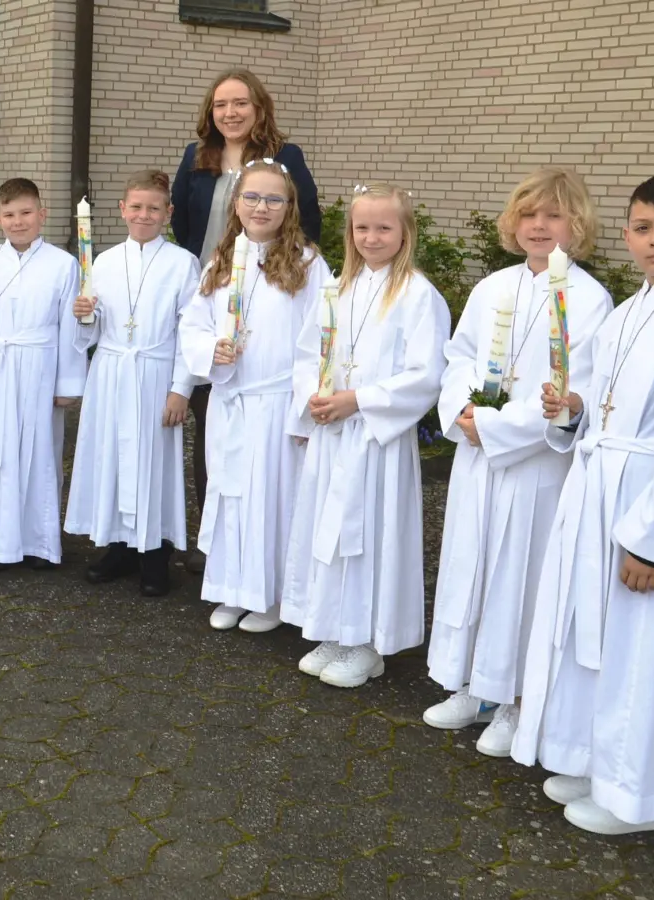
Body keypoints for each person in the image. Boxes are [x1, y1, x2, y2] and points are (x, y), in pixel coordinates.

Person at [513, 174, 654, 836]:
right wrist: (574, 408)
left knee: (644, 648)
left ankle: (638, 796)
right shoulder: (631, 308)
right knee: (599, 638)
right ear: (626, 235)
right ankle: (594, 760)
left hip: (649, 501)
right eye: (644, 228)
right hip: (602, 488)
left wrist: (653, 542)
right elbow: (605, 400)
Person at [424, 167, 611, 757]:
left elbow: (575, 387)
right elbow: (459, 356)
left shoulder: (589, 301)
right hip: (478, 458)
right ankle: (472, 684)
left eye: (554, 215)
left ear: (577, 225)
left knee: (522, 579)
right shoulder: (493, 287)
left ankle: (518, 700)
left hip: (534, 468)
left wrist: (496, 427)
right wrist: (462, 411)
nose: (539, 225)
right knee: (472, 567)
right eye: (529, 214)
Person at [281, 183, 450, 689]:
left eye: (383, 227)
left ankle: (368, 643)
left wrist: (358, 399)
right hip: (334, 432)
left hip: (376, 440)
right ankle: (335, 629)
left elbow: (426, 374)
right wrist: (314, 398)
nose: (372, 237)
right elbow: (308, 353)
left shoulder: (418, 295)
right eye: (362, 227)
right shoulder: (340, 287)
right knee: (328, 534)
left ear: (405, 232)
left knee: (369, 537)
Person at [171, 68, 322, 576]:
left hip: (274, 283)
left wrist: (283, 269)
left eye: (240, 103)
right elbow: (185, 226)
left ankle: (268, 558)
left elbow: (307, 218)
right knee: (213, 427)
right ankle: (216, 541)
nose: (230, 113)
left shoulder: (286, 156)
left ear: (259, 108)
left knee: (268, 454)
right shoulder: (197, 158)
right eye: (220, 105)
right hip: (215, 289)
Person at [179, 159, 330, 627]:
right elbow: (193, 324)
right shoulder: (221, 261)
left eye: (273, 199)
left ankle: (273, 597)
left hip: (278, 402)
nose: (261, 207)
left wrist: (306, 409)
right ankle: (232, 588)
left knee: (274, 501)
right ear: (236, 202)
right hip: (232, 400)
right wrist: (212, 349)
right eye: (252, 197)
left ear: (290, 206)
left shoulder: (308, 263)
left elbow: (322, 338)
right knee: (231, 496)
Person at [66, 169, 200, 596]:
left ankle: (155, 551)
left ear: (168, 213)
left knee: (152, 461)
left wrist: (181, 388)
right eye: (136, 207)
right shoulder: (103, 262)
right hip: (111, 373)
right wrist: (85, 315)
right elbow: (91, 332)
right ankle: (120, 545)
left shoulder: (183, 264)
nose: (144, 215)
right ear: (122, 209)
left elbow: (191, 331)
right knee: (113, 456)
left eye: (153, 208)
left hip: (156, 374)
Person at [0, 177, 88, 569]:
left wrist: (67, 384)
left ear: (42, 214)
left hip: (37, 372)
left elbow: (69, 327)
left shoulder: (63, 265)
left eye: (26, 212)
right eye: (9, 214)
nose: (18, 221)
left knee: (38, 455)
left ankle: (37, 544)